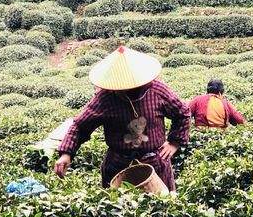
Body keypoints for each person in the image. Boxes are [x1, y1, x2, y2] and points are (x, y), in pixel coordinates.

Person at [55, 46, 190, 192]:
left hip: (154, 163)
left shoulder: (157, 90)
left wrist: (174, 143)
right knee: (118, 211)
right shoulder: (105, 97)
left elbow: (182, 112)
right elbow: (81, 126)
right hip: (118, 165)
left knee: (163, 207)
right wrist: (66, 154)